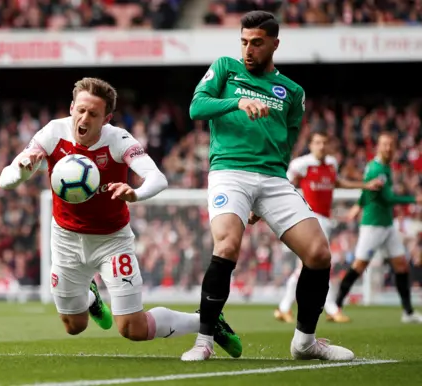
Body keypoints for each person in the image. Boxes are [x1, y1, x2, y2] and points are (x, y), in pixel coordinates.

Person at [0, 77, 242, 357]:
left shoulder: (118, 140)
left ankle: (207, 321)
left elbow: (157, 178)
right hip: (65, 239)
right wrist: (23, 170)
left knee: (132, 329)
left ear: (106, 118)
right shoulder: (53, 133)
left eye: (93, 113)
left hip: (111, 241)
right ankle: (91, 297)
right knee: (73, 326)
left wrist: (135, 193)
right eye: (80, 110)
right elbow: (6, 179)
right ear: (71, 108)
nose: (84, 118)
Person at [181, 11, 354, 361]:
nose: (248, 49)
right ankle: (204, 341)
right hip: (230, 171)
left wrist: (265, 197)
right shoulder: (226, 67)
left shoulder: (292, 92)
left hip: (274, 179)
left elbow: (287, 144)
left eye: (257, 43)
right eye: (244, 41)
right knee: (227, 245)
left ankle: (305, 341)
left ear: (275, 44)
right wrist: (238, 101)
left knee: (319, 254)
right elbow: (196, 107)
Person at [274, 130, 383, 324]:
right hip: (309, 218)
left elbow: (338, 182)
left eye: (324, 142)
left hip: (325, 219)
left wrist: (364, 186)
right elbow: (284, 184)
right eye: (317, 142)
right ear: (311, 144)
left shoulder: (331, 163)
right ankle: (332, 309)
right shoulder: (301, 164)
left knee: (305, 267)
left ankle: (283, 308)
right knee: (320, 264)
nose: (321, 146)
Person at [336, 131, 422, 323]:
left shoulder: (383, 167)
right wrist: (414, 198)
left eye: (391, 144)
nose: (388, 148)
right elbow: (388, 198)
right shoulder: (377, 170)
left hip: (387, 225)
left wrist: (358, 204)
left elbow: (367, 190)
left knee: (401, 265)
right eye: (384, 144)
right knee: (359, 266)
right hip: (373, 225)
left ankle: (407, 313)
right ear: (378, 146)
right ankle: (337, 304)